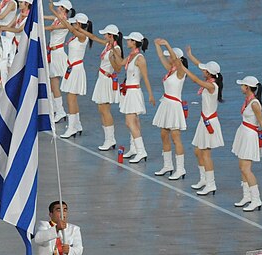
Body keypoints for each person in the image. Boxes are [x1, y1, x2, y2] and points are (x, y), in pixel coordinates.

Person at [182, 49, 223, 197]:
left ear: (209, 73)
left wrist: (183, 68)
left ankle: (211, 184)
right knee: (197, 151)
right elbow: (200, 65)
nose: (202, 71)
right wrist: (191, 56)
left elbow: (195, 80)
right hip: (203, 120)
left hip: (209, 121)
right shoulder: (210, 81)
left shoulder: (211, 86)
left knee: (206, 154)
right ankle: (204, 179)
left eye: (205, 70)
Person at [79, 22, 121, 151]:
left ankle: (110, 139)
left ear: (111, 36)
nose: (103, 36)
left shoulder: (116, 49)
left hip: (107, 80)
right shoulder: (108, 45)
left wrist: (113, 59)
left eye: (106, 34)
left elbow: (118, 68)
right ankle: (108, 139)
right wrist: (80, 30)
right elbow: (93, 37)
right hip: (102, 79)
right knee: (101, 109)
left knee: (105, 109)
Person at [231, 76, 262, 212]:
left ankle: (256, 199)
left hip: (249, 135)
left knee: (246, 168)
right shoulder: (248, 100)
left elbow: (261, 122)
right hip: (244, 132)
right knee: (242, 167)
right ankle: (246, 196)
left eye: (242, 85)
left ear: (247, 88)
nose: (241, 87)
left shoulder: (254, 104)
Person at [113, 31, 153, 164]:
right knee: (132, 122)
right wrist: (113, 48)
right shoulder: (131, 56)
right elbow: (119, 63)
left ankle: (141, 151)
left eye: (129, 40)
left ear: (134, 42)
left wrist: (150, 95)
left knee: (130, 122)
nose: (127, 42)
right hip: (128, 92)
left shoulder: (140, 58)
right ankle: (134, 148)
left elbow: (146, 77)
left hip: (134, 92)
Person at [51, 9, 91, 139]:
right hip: (72, 68)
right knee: (72, 98)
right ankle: (77, 124)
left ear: (79, 24)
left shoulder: (81, 36)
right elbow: (69, 27)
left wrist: (53, 11)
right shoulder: (77, 35)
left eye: (74, 23)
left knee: (70, 98)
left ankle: (72, 128)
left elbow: (68, 26)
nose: (72, 25)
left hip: (76, 70)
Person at [151, 39, 187, 181]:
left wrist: (167, 44)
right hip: (166, 103)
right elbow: (161, 57)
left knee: (175, 137)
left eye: (170, 56)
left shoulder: (180, 71)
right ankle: (167, 165)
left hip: (174, 105)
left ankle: (180, 168)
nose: (167, 58)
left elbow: (176, 61)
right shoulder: (170, 70)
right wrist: (157, 45)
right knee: (164, 135)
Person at [43, 0, 73, 122]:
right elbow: (47, 17)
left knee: (54, 83)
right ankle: (56, 108)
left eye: (59, 7)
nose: (57, 8)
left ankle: (60, 111)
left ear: (63, 9)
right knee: (52, 83)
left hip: (58, 55)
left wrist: (38, 28)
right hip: (53, 53)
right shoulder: (58, 18)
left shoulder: (65, 22)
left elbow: (51, 27)